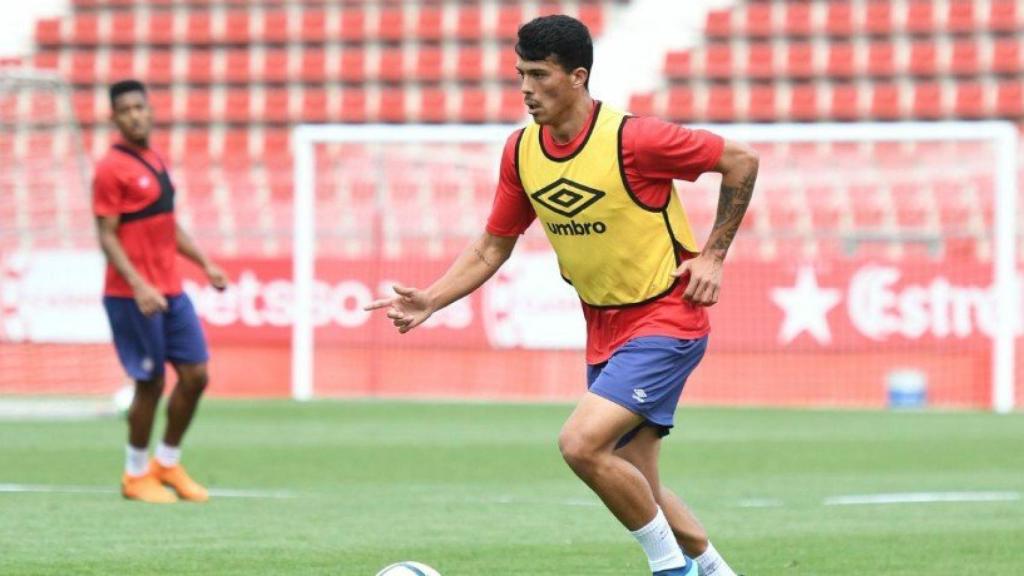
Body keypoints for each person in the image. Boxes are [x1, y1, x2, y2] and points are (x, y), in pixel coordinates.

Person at [366, 15, 758, 576]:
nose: (525, 88)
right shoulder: (521, 152)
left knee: (580, 444)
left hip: (667, 318)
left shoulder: (635, 138)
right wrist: (431, 299)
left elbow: (741, 162)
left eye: (538, 74)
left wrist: (714, 255)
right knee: (637, 481)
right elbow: (490, 248)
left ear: (577, 77)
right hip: (604, 328)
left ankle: (672, 571)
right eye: (520, 74)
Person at [93, 79, 228, 504]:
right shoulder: (109, 168)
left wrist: (204, 262)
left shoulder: (155, 159)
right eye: (126, 110)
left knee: (196, 375)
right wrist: (139, 285)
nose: (135, 115)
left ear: (150, 111)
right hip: (132, 295)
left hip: (170, 289)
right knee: (149, 383)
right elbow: (107, 236)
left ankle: (166, 463)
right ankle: (135, 475)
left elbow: (167, 224)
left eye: (140, 107)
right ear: (113, 118)